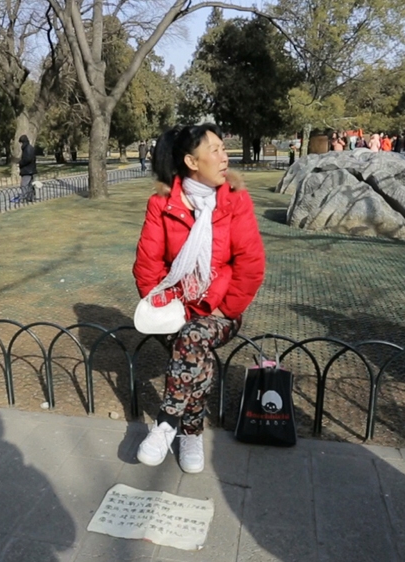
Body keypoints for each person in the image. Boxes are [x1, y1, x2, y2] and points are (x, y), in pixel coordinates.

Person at [133, 124, 265, 473]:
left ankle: (166, 424)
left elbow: (250, 265)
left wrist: (225, 309)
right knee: (194, 353)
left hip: (220, 310)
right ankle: (191, 431)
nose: (225, 157)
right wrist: (162, 307)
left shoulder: (235, 200)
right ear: (192, 161)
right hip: (176, 310)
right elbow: (148, 265)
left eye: (224, 148)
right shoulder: (162, 204)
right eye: (216, 150)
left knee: (193, 339)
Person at [18, 135, 37, 203]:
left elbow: (28, 159)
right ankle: (30, 197)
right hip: (31, 169)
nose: (20, 145)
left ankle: (24, 197)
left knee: (24, 185)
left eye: (21, 143)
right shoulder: (30, 148)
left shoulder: (27, 148)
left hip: (27, 170)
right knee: (30, 185)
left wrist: (21, 163)